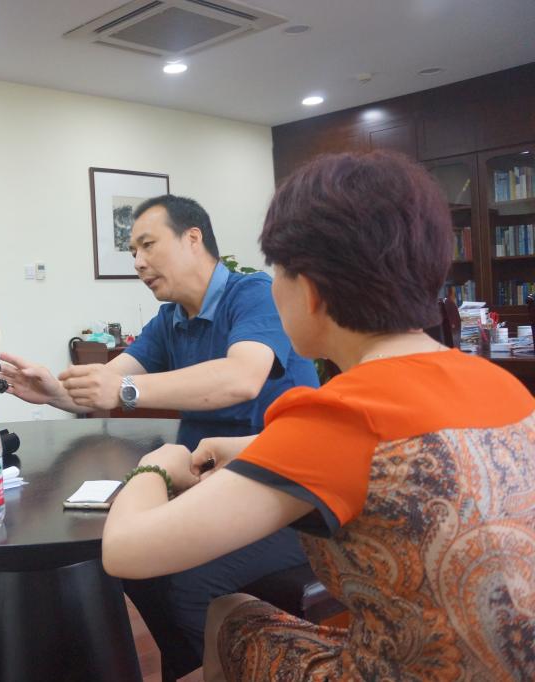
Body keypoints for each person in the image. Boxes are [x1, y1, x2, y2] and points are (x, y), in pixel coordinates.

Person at [101, 151, 535, 681]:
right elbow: (399, 456)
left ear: (308, 289)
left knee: (223, 613)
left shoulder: (340, 414)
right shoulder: (501, 386)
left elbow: (124, 551)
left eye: (277, 271)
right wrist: (253, 450)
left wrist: (156, 466)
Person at [0, 194, 319, 674]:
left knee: (185, 581)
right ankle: (187, 667)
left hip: (283, 494)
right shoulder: (171, 320)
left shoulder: (252, 293)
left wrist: (122, 389)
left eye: (148, 245)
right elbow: (110, 385)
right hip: (207, 484)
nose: (138, 262)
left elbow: (241, 378)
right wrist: (54, 392)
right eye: (132, 251)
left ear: (193, 239)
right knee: (130, 562)